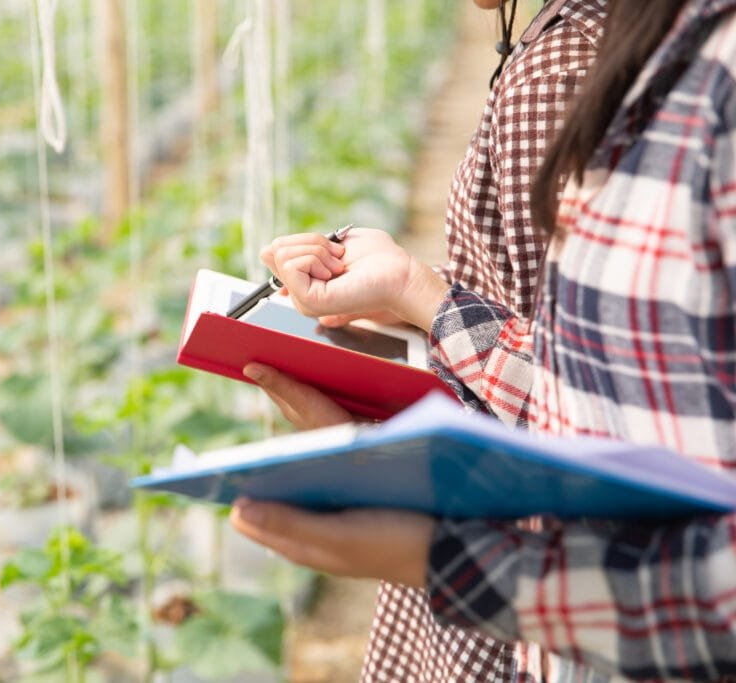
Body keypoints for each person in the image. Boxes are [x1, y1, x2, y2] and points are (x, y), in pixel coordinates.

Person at [234, 0, 736, 679]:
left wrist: (442, 547)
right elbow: (585, 387)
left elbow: (575, 424)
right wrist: (416, 295)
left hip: (550, 582)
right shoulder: (639, 49)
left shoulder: (581, 68)